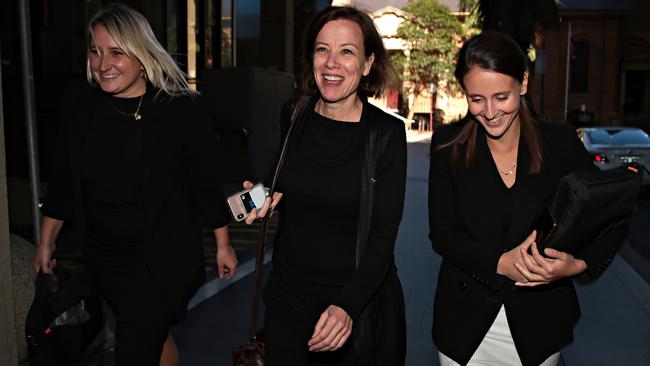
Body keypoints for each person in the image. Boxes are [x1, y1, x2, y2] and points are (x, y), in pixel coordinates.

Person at [32, 4, 238, 365]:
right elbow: (65, 180)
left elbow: (203, 183)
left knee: (135, 347)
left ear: (142, 56)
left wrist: (223, 245)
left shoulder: (178, 110)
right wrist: (46, 243)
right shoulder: (81, 106)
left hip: (162, 259)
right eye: (95, 51)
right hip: (105, 257)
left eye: (116, 52)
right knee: (150, 338)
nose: (102, 63)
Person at [428, 31, 627, 366]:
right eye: (477, 99)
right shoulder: (449, 146)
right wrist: (498, 263)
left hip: (540, 323)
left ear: (523, 83)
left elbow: (611, 215)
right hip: (465, 325)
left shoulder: (560, 142)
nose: (490, 112)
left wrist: (578, 265)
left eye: (501, 97)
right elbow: (443, 234)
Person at [243, 6, 407, 366]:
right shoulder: (295, 113)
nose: (331, 63)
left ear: (367, 64)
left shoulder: (385, 135)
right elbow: (277, 179)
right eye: (322, 49)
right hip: (288, 301)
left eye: (346, 51)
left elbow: (383, 235)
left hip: (352, 307)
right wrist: (257, 197)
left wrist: (347, 306)